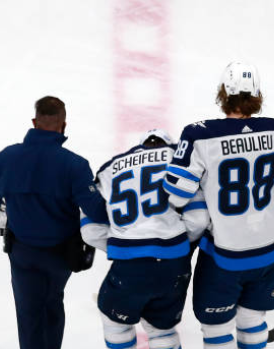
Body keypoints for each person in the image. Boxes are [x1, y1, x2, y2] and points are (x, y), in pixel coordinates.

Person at [164, 62, 274, 349]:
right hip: (270, 252)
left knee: (216, 328)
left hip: (224, 257)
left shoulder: (199, 136)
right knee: (252, 320)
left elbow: (176, 195)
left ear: (223, 93)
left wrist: (201, 188)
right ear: (258, 95)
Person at [0, 96, 105, 349]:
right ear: (64, 125)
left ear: (34, 122)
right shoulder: (75, 165)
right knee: (51, 305)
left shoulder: (7, 158)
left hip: (22, 251)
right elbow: (98, 211)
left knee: (28, 313)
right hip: (61, 254)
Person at [80, 129, 209, 349]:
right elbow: (198, 220)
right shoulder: (182, 159)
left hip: (129, 267)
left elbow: (90, 231)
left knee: (115, 324)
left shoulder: (110, 168)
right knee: (162, 329)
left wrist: (122, 247)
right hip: (173, 265)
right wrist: (176, 245)